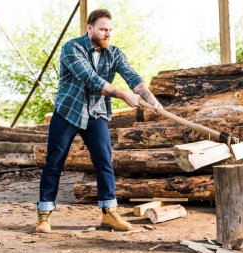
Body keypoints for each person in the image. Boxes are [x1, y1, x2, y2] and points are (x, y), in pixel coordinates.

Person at [36, 9, 162, 233]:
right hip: (68, 112)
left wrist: (152, 101)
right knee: (54, 162)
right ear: (90, 28)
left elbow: (133, 77)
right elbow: (91, 79)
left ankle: (109, 214)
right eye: (103, 29)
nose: (107, 34)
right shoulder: (71, 49)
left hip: (96, 113)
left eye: (110, 30)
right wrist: (124, 95)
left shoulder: (114, 53)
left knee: (105, 162)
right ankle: (44, 216)